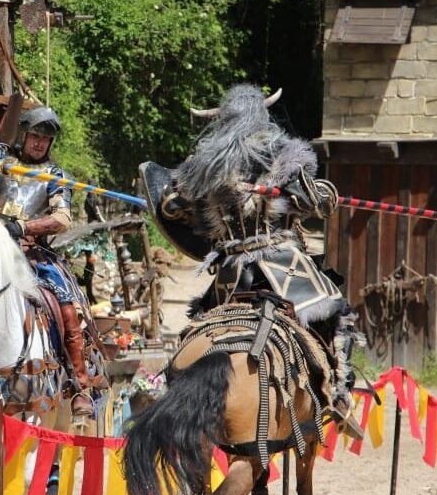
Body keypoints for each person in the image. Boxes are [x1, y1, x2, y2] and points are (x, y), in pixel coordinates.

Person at [141, 84, 364, 439]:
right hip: (281, 263)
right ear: (261, 116)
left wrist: (191, 197)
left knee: (197, 326)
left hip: (231, 274)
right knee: (337, 312)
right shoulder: (283, 156)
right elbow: (316, 204)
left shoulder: (204, 164)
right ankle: (339, 394)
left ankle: (172, 385)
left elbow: (171, 207)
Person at [0, 107, 105, 416]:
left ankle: (79, 383)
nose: (40, 143)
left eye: (46, 139)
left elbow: (62, 218)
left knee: (66, 305)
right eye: (35, 136)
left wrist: (24, 227)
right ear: (24, 135)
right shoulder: (1, 156)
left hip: (31, 251)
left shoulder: (55, 175)